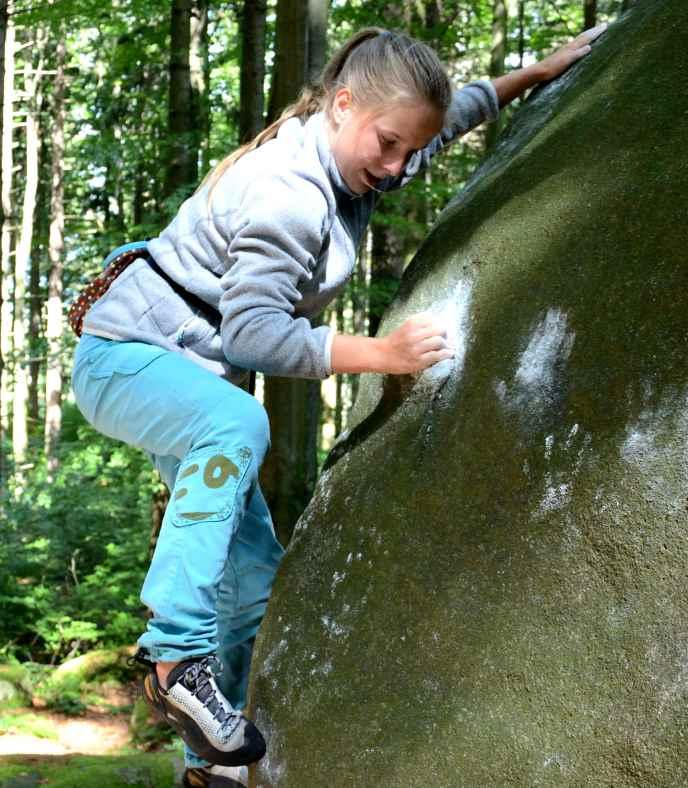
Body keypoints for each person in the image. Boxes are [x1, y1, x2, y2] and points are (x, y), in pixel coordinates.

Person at [69, 23, 606, 788]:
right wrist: (381, 355)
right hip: (128, 359)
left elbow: (446, 120)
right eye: (385, 145)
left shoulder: (371, 142)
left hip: (184, 374)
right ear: (343, 104)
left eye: (405, 150)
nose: (394, 168)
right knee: (239, 422)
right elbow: (255, 336)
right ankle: (175, 658)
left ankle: (210, 768)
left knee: (255, 584)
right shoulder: (290, 192)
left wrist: (538, 72)